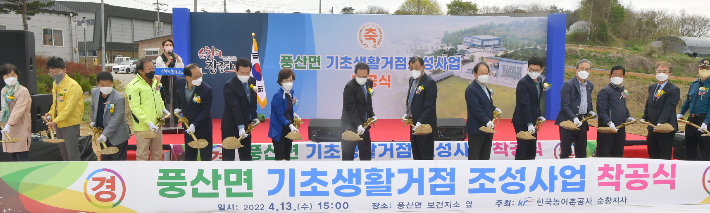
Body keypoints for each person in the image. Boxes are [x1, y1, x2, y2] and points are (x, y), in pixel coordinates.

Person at [126, 58, 170, 161]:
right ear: (141, 71)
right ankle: (142, 176)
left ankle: (156, 175)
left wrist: (163, 109)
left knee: (157, 153)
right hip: (143, 126)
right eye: (149, 69)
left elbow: (158, 96)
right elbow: (135, 107)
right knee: (142, 154)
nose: (152, 71)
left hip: (157, 124)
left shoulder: (154, 81)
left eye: (153, 68)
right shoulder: (133, 86)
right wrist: (148, 122)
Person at [44, 56, 84, 161]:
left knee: (73, 154)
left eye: (57, 71)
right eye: (51, 72)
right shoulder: (55, 84)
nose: (54, 74)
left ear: (64, 70)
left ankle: (77, 175)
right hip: (59, 124)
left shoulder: (73, 86)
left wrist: (55, 121)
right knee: (64, 154)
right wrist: (51, 113)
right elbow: (56, 104)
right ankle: (68, 175)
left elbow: (68, 108)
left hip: (70, 124)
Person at [555, 59, 596, 159]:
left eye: (587, 69)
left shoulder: (590, 85)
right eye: (582, 68)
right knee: (566, 151)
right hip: (568, 121)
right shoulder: (568, 85)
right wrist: (574, 118)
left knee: (581, 150)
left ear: (590, 71)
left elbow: (588, 101)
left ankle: (581, 173)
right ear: (576, 70)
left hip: (582, 121)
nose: (584, 71)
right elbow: (565, 105)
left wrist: (590, 111)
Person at [642, 61, 680, 160]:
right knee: (652, 153)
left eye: (664, 71)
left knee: (664, 155)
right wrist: (644, 117)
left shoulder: (673, 89)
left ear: (669, 74)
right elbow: (649, 104)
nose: (661, 73)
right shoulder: (652, 87)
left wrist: (660, 123)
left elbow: (668, 107)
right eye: (659, 71)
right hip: (652, 127)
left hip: (665, 128)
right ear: (655, 73)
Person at [222, 58, 259, 161]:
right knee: (228, 157)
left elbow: (252, 101)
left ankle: (248, 175)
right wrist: (240, 127)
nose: (245, 75)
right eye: (242, 73)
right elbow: (235, 108)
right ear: (236, 70)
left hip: (246, 126)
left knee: (246, 155)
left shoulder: (252, 80)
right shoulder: (229, 86)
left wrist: (254, 116)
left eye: (247, 73)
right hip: (231, 125)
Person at [175, 63, 213, 161]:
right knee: (190, 154)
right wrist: (180, 108)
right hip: (188, 125)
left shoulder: (206, 89)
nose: (199, 78)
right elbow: (180, 97)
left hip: (203, 126)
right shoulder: (179, 82)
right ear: (187, 78)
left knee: (205, 154)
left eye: (200, 75)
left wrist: (195, 124)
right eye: (196, 77)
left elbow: (205, 110)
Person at [90, 72, 131, 161]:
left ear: (112, 83)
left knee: (117, 163)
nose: (105, 87)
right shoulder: (94, 92)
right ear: (98, 84)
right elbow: (93, 106)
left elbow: (116, 118)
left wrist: (105, 134)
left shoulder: (118, 98)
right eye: (102, 85)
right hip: (102, 133)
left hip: (118, 136)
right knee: (105, 161)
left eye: (108, 84)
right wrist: (93, 120)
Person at [403, 57, 438, 160]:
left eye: (416, 67)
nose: (414, 70)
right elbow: (411, 98)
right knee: (416, 153)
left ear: (423, 67)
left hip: (425, 125)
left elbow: (429, 105)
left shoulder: (429, 82)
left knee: (425, 156)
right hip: (413, 123)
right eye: (411, 68)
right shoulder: (411, 80)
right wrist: (407, 113)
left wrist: (420, 121)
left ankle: (427, 175)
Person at [341, 62, 376, 161]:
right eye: (359, 76)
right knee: (348, 154)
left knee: (366, 152)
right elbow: (351, 108)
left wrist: (371, 115)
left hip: (364, 125)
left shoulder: (369, 83)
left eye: (364, 76)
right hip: (350, 125)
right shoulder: (349, 87)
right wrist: (358, 125)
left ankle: (366, 173)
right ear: (355, 74)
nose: (362, 78)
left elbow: (368, 102)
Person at [596, 66, 634, 157]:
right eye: (615, 75)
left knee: (618, 153)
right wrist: (609, 122)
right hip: (607, 129)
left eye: (620, 75)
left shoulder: (623, 90)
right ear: (610, 76)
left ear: (624, 77)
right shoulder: (605, 91)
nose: (617, 77)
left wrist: (628, 116)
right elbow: (601, 110)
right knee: (604, 153)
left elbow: (623, 106)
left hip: (620, 128)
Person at [465, 62, 500, 160]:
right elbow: (476, 109)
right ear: (475, 74)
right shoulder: (471, 89)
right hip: (477, 130)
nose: (484, 76)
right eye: (482, 73)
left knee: (485, 158)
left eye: (486, 73)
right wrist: (487, 121)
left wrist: (494, 108)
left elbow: (486, 104)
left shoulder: (485, 87)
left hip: (488, 130)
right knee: (474, 158)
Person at [513, 57, 546, 160]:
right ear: (528, 68)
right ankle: (519, 171)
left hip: (533, 120)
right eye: (531, 69)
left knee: (532, 149)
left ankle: (529, 171)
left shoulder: (540, 80)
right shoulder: (523, 83)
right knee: (523, 148)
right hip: (522, 121)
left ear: (542, 70)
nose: (534, 72)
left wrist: (539, 115)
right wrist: (529, 124)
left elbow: (536, 101)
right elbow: (525, 104)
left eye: (537, 70)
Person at [678, 58, 710, 161]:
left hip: (705, 120)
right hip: (691, 120)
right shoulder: (694, 84)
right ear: (698, 69)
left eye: (707, 68)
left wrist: (706, 122)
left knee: (705, 149)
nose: (704, 70)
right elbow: (688, 100)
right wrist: (681, 113)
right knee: (689, 148)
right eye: (702, 67)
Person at [0, 64, 32, 161]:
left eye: (13, 74)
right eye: (7, 75)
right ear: (3, 77)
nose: (10, 77)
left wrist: (9, 124)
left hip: (20, 126)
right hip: (7, 127)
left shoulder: (23, 91)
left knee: (22, 156)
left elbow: (19, 109)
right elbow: (3, 108)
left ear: (17, 75)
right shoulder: (4, 91)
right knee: (14, 157)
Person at [268, 68, 299, 161]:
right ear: (281, 82)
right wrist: (289, 125)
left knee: (287, 154)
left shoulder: (291, 92)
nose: (289, 83)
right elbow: (279, 115)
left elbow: (288, 108)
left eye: (291, 80)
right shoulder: (277, 96)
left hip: (288, 127)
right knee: (280, 156)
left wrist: (293, 114)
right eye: (286, 81)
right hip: (279, 128)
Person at [156, 39, 183, 131]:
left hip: (173, 79)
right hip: (165, 80)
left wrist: (178, 60)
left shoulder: (176, 56)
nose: (168, 46)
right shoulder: (160, 58)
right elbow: (161, 69)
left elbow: (181, 68)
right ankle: (166, 122)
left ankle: (175, 121)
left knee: (174, 98)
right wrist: (167, 62)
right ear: (163, 47)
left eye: (170, 45)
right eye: (166, 45)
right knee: (166, 98)